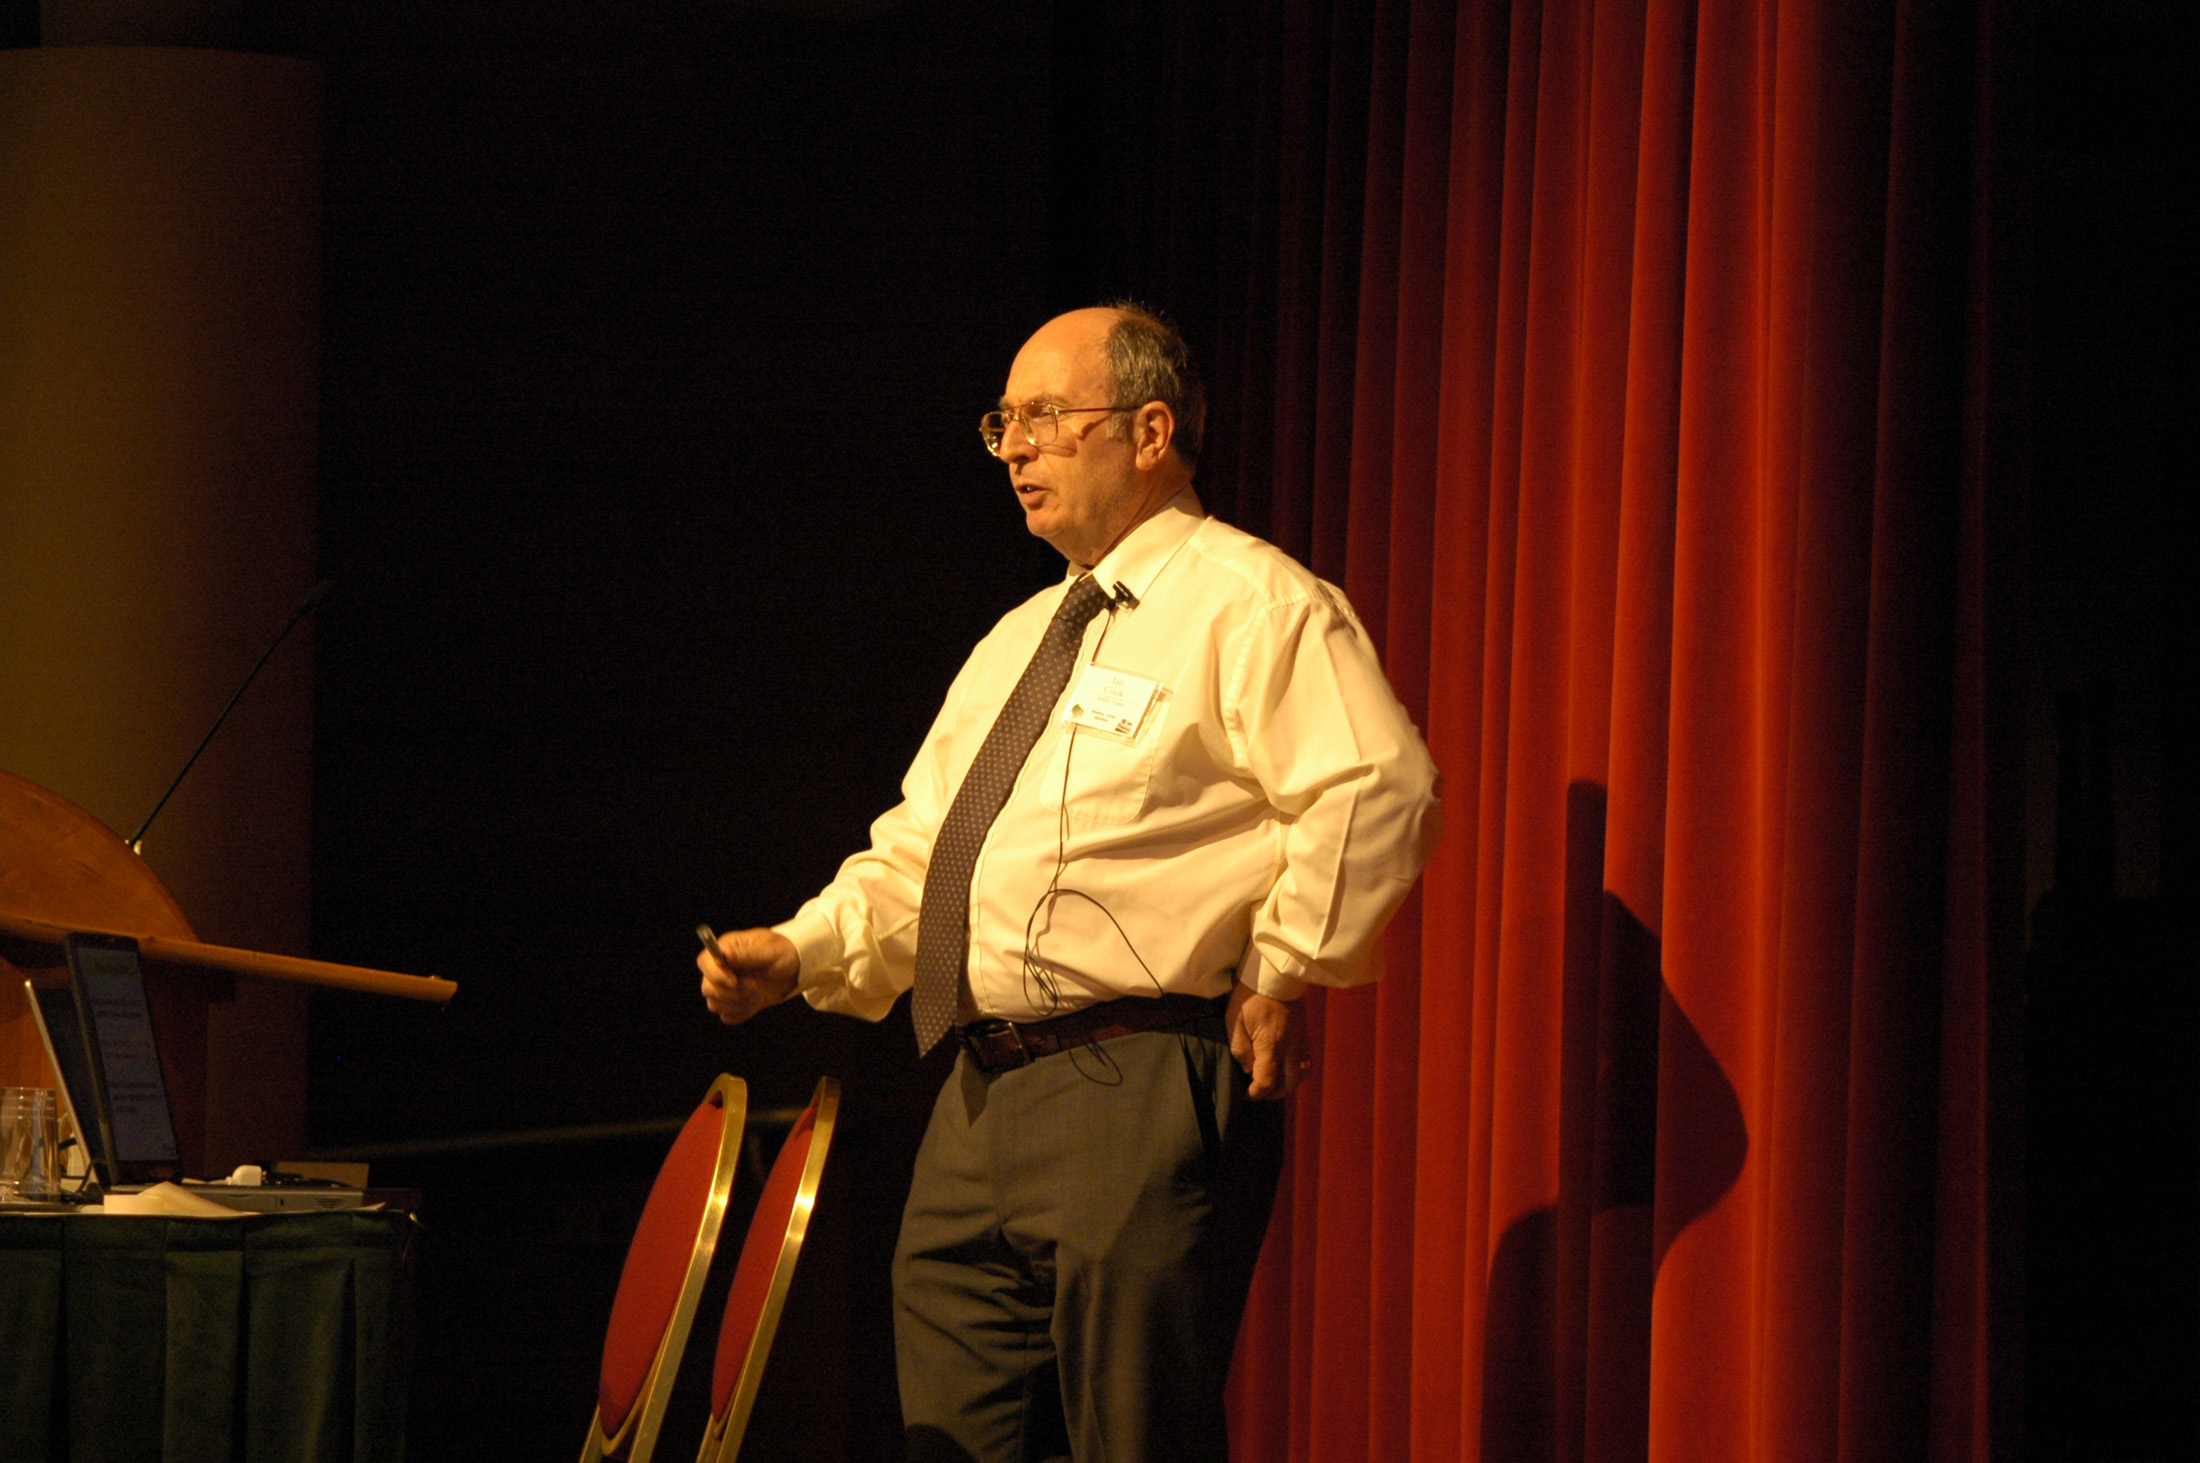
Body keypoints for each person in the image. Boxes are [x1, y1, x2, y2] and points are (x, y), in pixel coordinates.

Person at [699, 304, 1439, 1462]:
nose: (1013, 447)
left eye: (1043, 415)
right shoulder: (1019, 638)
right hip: (977, 1091)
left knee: (1132, 1433)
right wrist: (801, 948)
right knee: (945, 1432)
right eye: (1002, 421)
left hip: (1136, 1075)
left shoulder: (1250, 603)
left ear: (1150, 431)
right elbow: (928, 850)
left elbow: (1374, 785)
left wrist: (1282, 965)